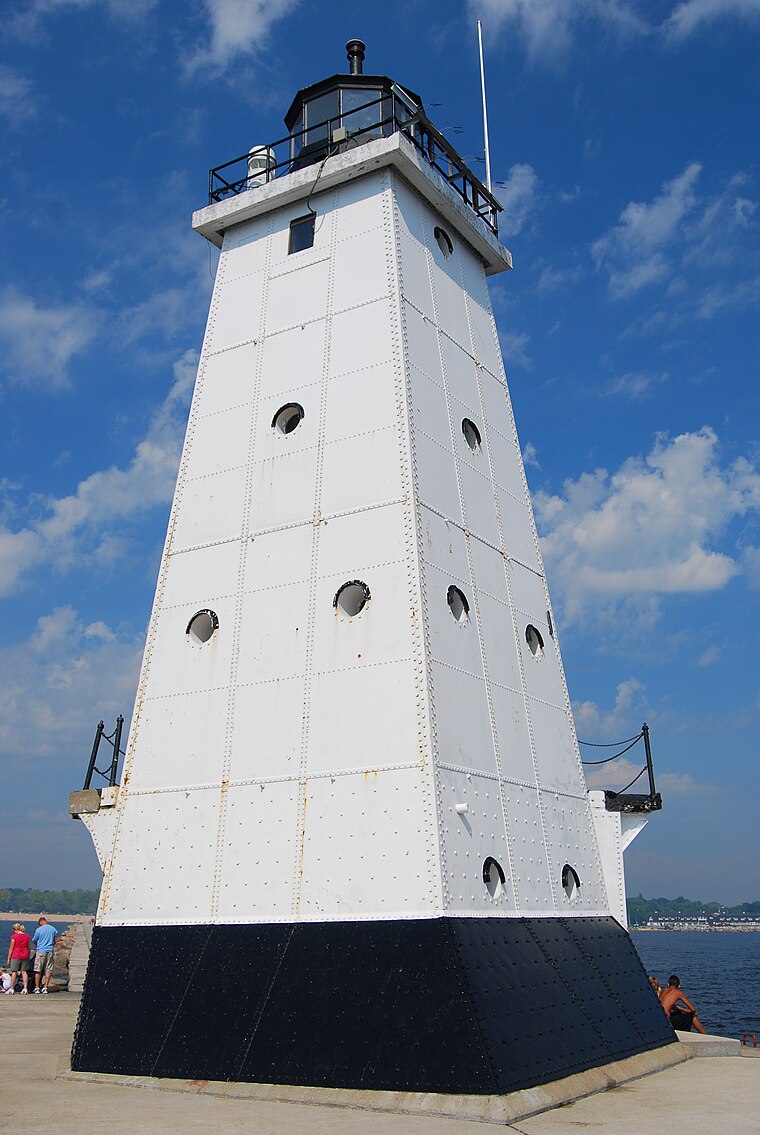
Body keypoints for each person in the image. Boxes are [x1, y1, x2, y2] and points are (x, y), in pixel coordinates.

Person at [31, 916, 59, 994]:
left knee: (38, 969)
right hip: (50, 950)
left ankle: (37, 987)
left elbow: (34, 940)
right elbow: (55, 940)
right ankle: (45, 987)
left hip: (41, 950)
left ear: (40, 922)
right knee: (48, 969)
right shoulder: (53, 929)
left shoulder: (39, 930)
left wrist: (38, 946)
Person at [6, 923, 31, 995]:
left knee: (14, 972)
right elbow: (28, 947)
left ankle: (12, 988)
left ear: (15, 929)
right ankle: (25, 988)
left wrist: (9, 958)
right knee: (24, 972)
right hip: (25, 955)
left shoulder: (14, 937)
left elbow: (11, 948)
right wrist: (28, 955)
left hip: (16, 955)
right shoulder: (27, 936)